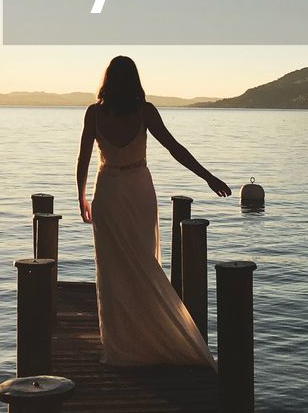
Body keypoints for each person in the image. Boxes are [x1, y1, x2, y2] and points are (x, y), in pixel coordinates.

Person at [76, 56, 232, 368]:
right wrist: (208, 177)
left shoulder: (95, 113)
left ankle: (121, 343)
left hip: (107, 191)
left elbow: (82, 159)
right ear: (135, 80)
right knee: (143, 261)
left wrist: (80, 196)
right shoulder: (144, 111)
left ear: (107, 80)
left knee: (112, 270)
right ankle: (146, 335)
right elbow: (176, 149)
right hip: (137, 188)